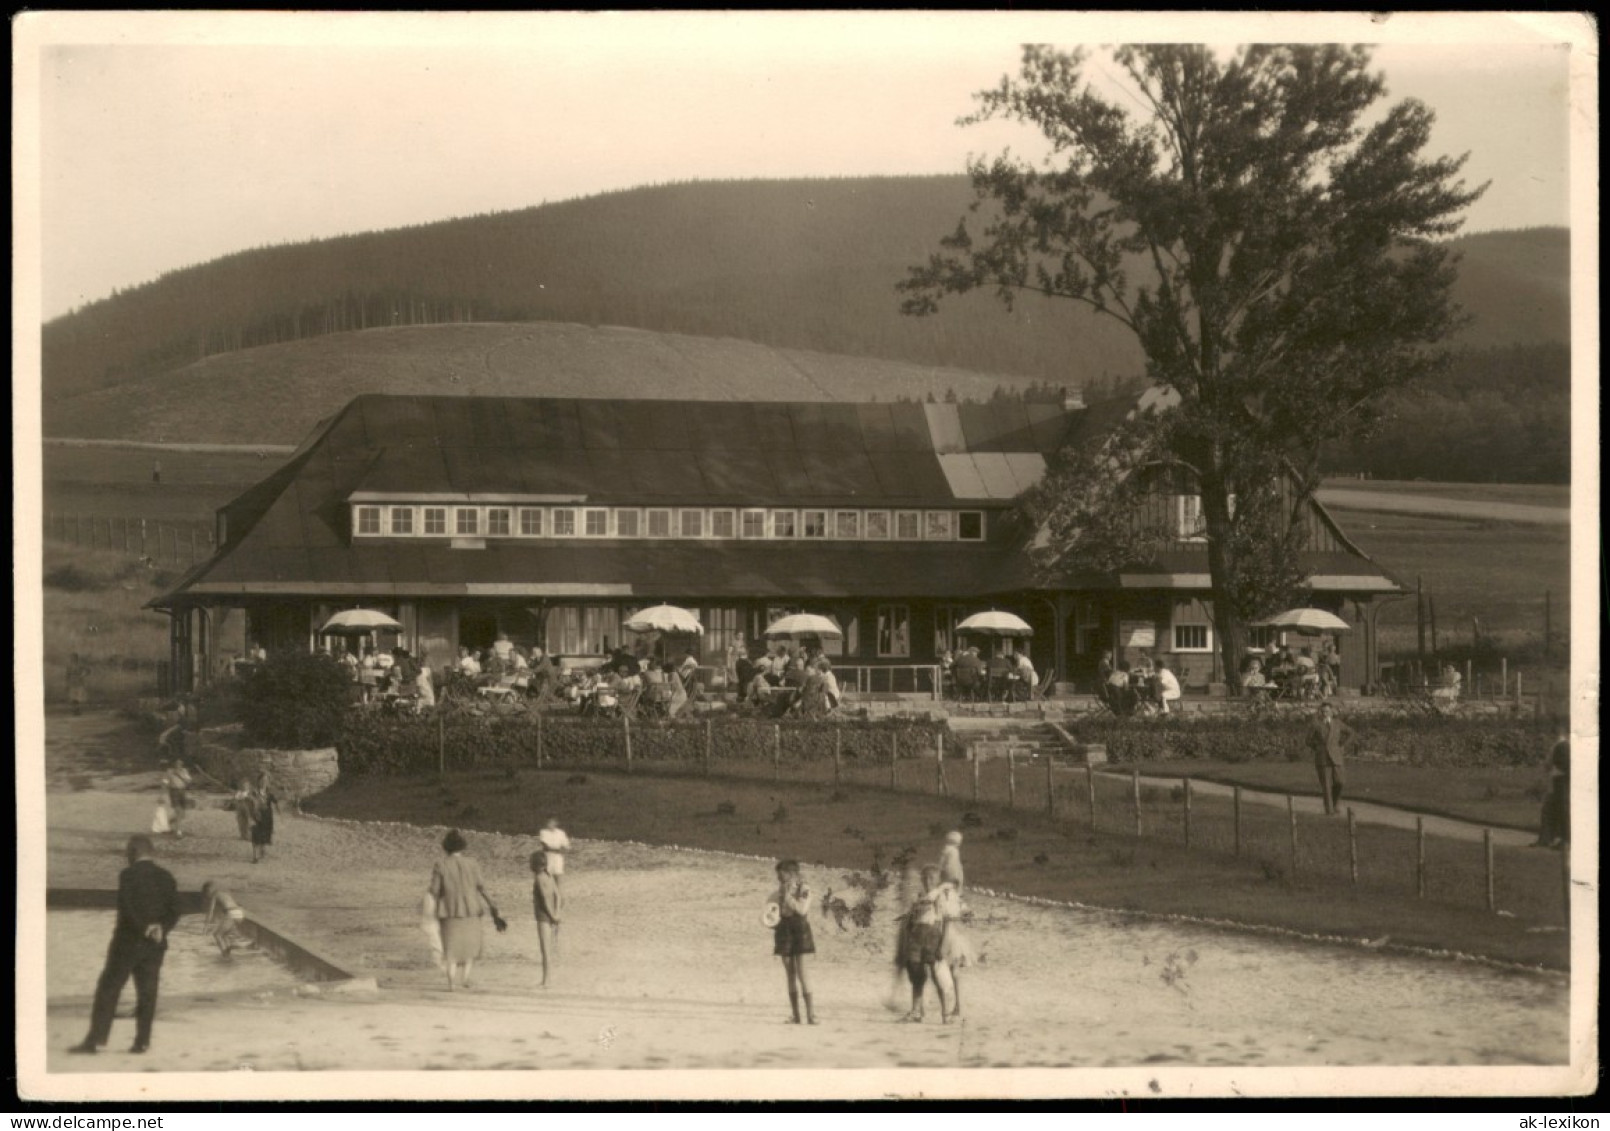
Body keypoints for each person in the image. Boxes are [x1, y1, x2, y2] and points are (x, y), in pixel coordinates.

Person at [69, 836, 180, 1055]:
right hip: (156, 944)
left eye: (128, 852)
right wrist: (161, 928)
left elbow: (127, 909)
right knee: (148, 992)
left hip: (127, 943)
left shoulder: (128, 876)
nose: (126, 856)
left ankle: (96, 1040)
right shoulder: (166, 877)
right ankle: (142, 1042)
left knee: (109, 989)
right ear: (151, 852)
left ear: (133, 852)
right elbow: (175, 910)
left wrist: (144, 928)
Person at [429, 829, 506, 992]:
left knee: (451, 950)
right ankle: (464, 979)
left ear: (446, 847)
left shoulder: (440, 864)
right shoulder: (472, 863)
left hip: (449, 911)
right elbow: (482, 888)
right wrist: (493, 906)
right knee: (470, 948)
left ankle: (451, 985)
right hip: (472, 910)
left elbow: (434, 891)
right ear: (462, 847)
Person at [771, 860, 818, 1025]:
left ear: (790, 873)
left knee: (802, 972)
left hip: (800, 929)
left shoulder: (803, 888)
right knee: (790, 974)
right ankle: (796, 1015)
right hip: (784, 929)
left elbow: (802, 909)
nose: (778, 876)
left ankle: (811, 1015)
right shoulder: (781, 889)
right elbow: (773, 910)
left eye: (781, 873)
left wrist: (787, 896)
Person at [1305, 702, 1355, 815]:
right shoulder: (1315, 724)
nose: (1324, 714)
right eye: (1322, 712)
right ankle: (1329, 810)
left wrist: (1342, 745)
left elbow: (1351, 733)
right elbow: (1308, 740)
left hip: (1336, 756)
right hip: (1322, 758)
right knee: (1326, 786)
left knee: (1340, 782)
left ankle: (1335, 803)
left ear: (1332, 712)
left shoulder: (1337, 723)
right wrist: (1317, 747)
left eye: (1327, 711)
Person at [529, 849, 563, 988]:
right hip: (553, 914)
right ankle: (547, 980)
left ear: (534, 865)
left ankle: (546, 981)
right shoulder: (549, 876)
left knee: (545, 951)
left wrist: (551, 915)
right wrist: (557, 913)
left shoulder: (538, 878)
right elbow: (558, 896)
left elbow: (543, 899)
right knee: (549, 949)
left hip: (544, 917)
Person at [1535, 730, 1570, 849]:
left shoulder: (1562, 745)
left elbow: (1553, 764)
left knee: (1562, 809)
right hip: (1557, 782)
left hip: (1561, 782)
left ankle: (1563, 840)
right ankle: (1548, 839)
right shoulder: (1559, 745)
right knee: (1551, 809)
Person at [200, 881, 248, 956]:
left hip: (232, 913)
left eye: (206, 894)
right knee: (224, 935)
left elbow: (210, 912)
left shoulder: (214, 895)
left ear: (208, 891)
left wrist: (205, 927)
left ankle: (225, 956)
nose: (207, 897)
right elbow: (233, 905)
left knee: (217, 935)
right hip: (239, 913)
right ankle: (228, 953)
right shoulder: (223, 893)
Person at [247, 772, 278, 863]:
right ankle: (255, 856)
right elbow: (249, 803)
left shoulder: (269, 793)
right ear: (259, 781)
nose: (264, 782)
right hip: (256, 815)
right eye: (262, 780)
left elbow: (275, 802)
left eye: (266, 780)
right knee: (255, 834)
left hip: (267, 817)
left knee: (265, 834)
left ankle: (262, 850)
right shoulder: (254, 792)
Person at [162, 760, 193, 839]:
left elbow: (189, 781)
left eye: (180, 764)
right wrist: (162, 793)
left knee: (182, 814)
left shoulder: (184, 771)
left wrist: (184, 778)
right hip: (174, 792)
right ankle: (178, 831)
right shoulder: (169, 771)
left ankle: (167, 823)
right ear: (174, 764)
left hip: (182, 792)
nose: (178, 765)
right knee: (178, 811)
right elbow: (164, 782)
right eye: (177, 763)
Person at [537, 817, 571, 887]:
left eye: (552, 822)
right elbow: (545, 846)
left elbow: (566, 845)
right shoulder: (543, 832)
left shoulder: (561, 833)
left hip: (558, 857)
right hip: (547, 856)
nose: (550, 824)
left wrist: (564, 849)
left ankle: (557, 894)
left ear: (556, 823)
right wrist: (558, 850)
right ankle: (549, 894)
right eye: (548, 822)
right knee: (548, 875)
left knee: (558, 875)